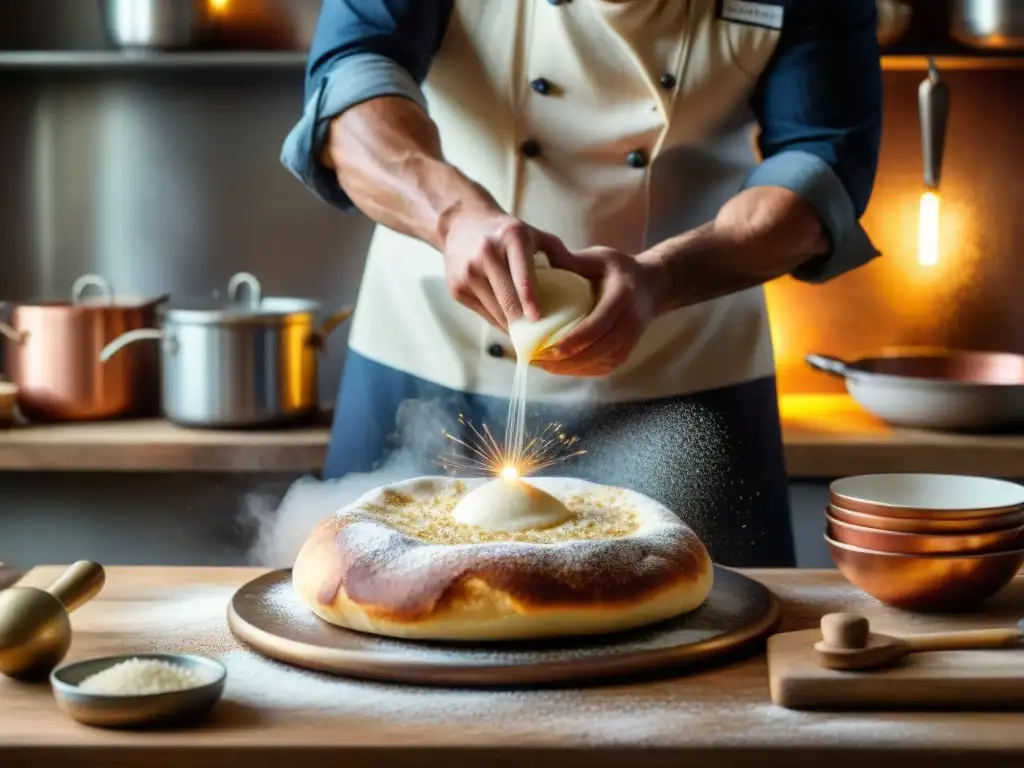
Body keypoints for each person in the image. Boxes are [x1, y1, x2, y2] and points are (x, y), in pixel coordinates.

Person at [281, 0, 883, 567]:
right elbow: (351, 79)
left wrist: (665, 279)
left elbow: (822, 161)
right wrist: (453, 218)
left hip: (691, 370)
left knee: (714, 640)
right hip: (427, 353)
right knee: (373, 622)